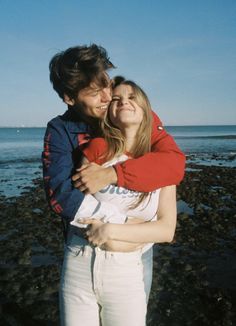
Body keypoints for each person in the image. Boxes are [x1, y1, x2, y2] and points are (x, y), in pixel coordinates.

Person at [42, 44, 185, 324]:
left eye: (107, 84)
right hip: (82, 250)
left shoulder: (132, 114)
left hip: (135, 253)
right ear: (70, 98)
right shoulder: (61, 131)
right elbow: (61, 195)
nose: (108, 97)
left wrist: (113, 175)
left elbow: (173, 164)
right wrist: (120, 222)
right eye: (95, 92)